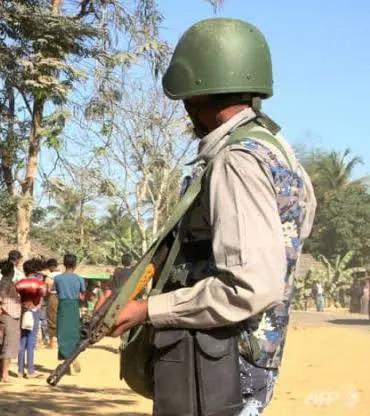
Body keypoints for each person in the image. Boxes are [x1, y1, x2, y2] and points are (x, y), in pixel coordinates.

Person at [109, 18, 317, 415]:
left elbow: (248, 286)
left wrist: (148, 310)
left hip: (219, 367)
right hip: (246, 363)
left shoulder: (236, 160)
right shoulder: (280, 154)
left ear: (195, 95)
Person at [53, 254, 86, 373]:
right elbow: (82, 296)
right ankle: (72, 358)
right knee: (73, 333)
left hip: (62, 306)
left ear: (64, 264)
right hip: (74, 306)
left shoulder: (57, 278)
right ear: (75, 264)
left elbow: (57, 292)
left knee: (62, 333)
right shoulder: (79, 279)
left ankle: (67, 359)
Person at [0, 261, 22, 383]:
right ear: (12, 272)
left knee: (1, 344)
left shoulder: (0, 283)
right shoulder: (6, 284)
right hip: (9, 315)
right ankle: (4, 374)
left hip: (7, 316)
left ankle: (1, 373)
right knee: (8, 345)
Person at [15, 260, 46, 378]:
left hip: (23, 310)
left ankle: (20, 370)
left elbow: (17, 295)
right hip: (34, 311)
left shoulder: (19, 283)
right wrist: (36, 306)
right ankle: (30, 370)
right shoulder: (39, 283)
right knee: (31, 341)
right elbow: (43, 295)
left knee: (22, 340)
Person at [45, 258, 61, 349]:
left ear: (50, 267)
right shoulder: (62, 274)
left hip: (53, 296)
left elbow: (48, 290)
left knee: (51, 318)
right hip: (62, 297)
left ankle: (52, 342)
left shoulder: (50, 276)